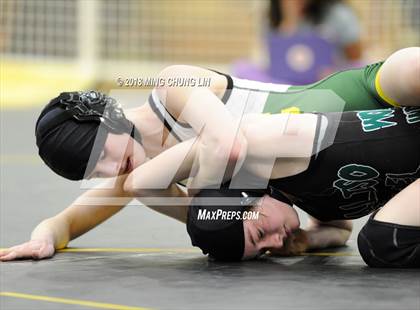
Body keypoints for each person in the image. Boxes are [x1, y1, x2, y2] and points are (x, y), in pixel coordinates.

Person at [0, 48, 418, 263]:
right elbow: (70, 220)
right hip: (321, 176)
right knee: (337, 229)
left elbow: (227, 143)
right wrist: (44, 239)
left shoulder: (170, 87)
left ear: (106, 116)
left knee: (405, 69)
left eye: (102, 154)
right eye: (97, 171)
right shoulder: (144, 175)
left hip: (345, 101)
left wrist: (207, 206)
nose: (112, 171)